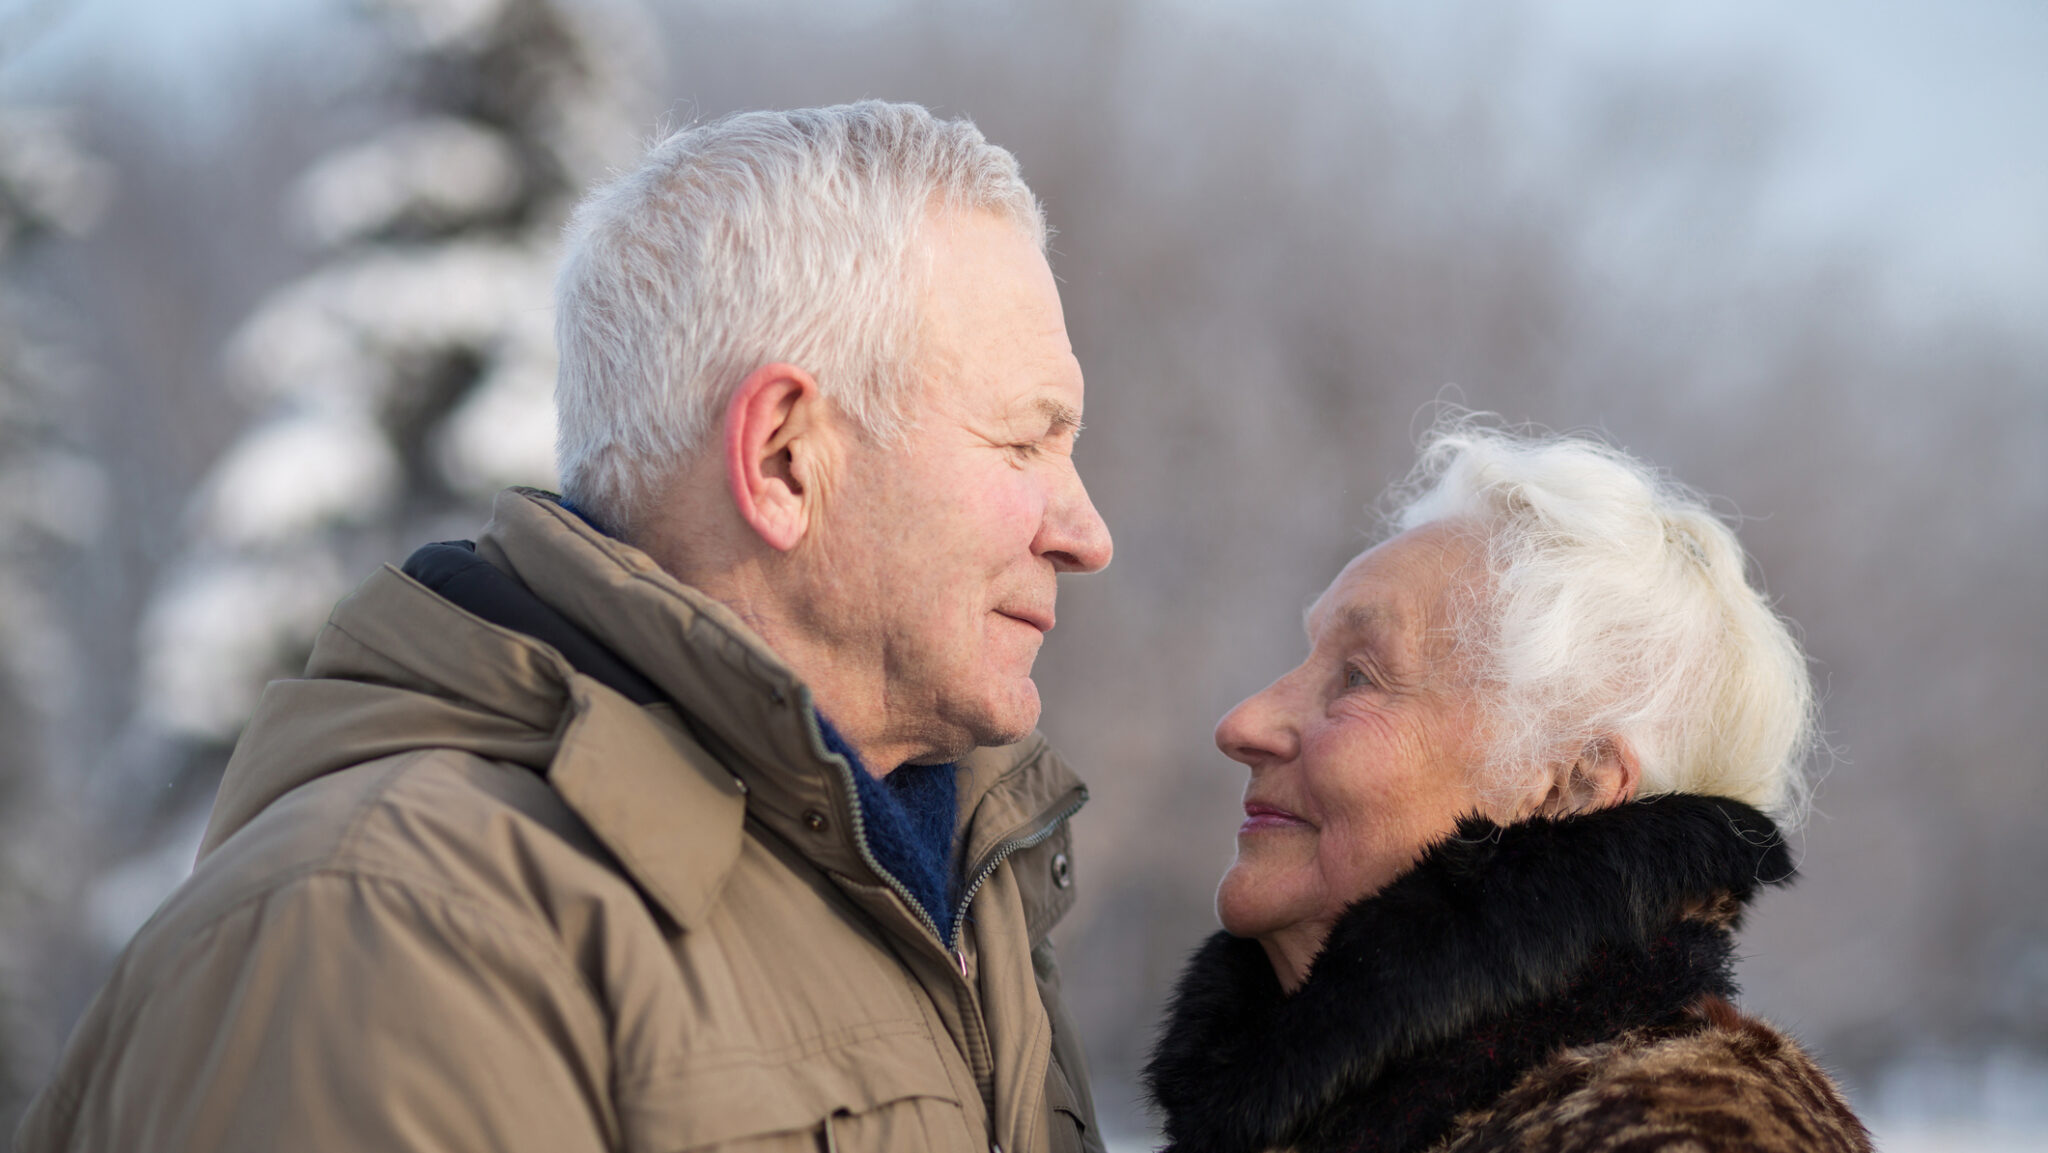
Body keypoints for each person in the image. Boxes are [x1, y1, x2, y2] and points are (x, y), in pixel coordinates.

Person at [20, 102, 1113, 1153]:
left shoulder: (967, 899)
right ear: (784, 458)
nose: (1085, 532)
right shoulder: (392, 932)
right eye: (1023, 444)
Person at [1144, 423, 1871, 1153]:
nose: (1243, 722)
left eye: (1360, 676)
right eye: (1307, 660)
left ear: (1573, 788)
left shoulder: (1681, 1133)